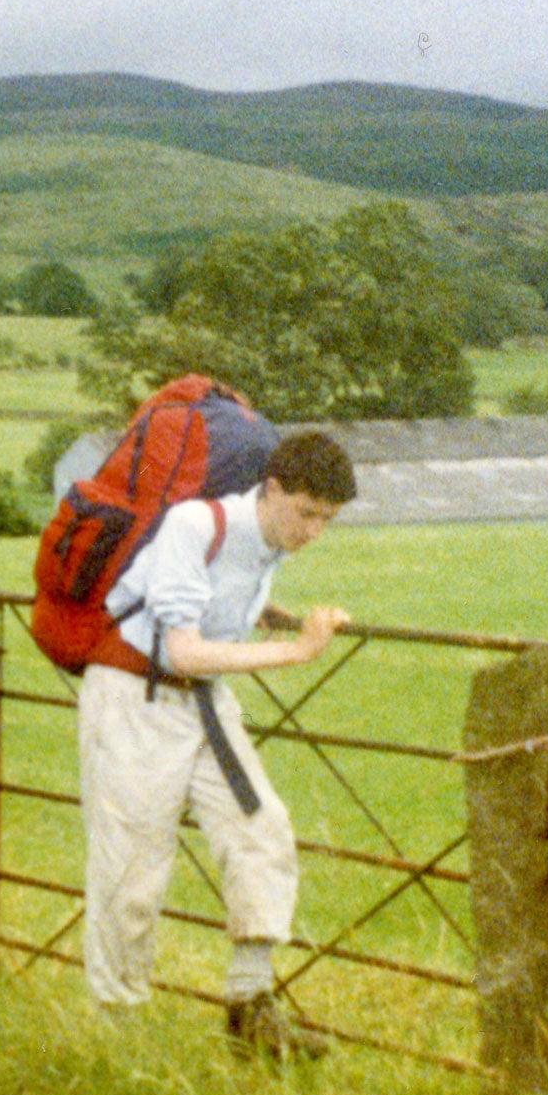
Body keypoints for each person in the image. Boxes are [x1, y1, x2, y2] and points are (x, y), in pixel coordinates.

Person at [76, 428, 357, 1059]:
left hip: (202, 701)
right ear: (273, 488)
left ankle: (249, 1014)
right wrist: (298, 649)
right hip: (135, 697)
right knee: (132, 870)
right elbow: (182, 647)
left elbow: (209, 606)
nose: (314, 532)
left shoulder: (268, 541)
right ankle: (114, 1041)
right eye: (308, 513)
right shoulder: (194, 524)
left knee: (263, 830)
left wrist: (267, 611)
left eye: (328, 521)